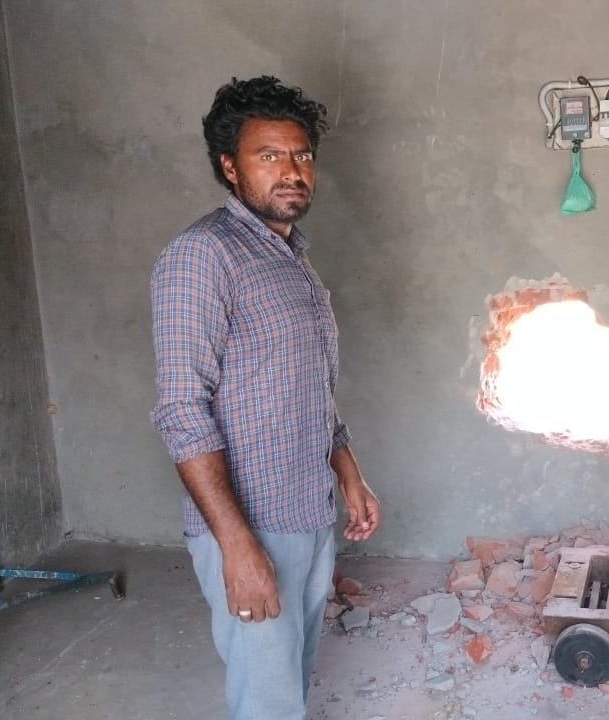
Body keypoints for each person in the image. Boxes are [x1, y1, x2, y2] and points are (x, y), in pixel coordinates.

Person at [150, 75, 381, 720]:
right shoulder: (202, 255)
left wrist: (349, 473)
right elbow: (182, 411)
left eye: (301, 155)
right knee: (267, 697)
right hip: (250, 522)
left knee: (292, 675)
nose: (291, 171)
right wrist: (237, 546)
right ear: (230, 166)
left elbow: (310, 387)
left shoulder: (290, 256)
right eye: (269, 155)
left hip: (306, 505)